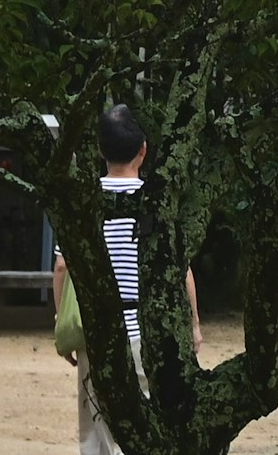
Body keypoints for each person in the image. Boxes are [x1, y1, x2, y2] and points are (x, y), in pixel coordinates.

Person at [49, 106, 196, 455]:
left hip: (96, 330)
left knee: (95, 427)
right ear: (143, 149)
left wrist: (64, 321)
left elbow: (61, 268)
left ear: (100, 150)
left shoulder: (83, 203)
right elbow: (181, 268)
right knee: (144, 426)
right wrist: (193, 323)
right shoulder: (155, 203)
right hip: (146, 330)